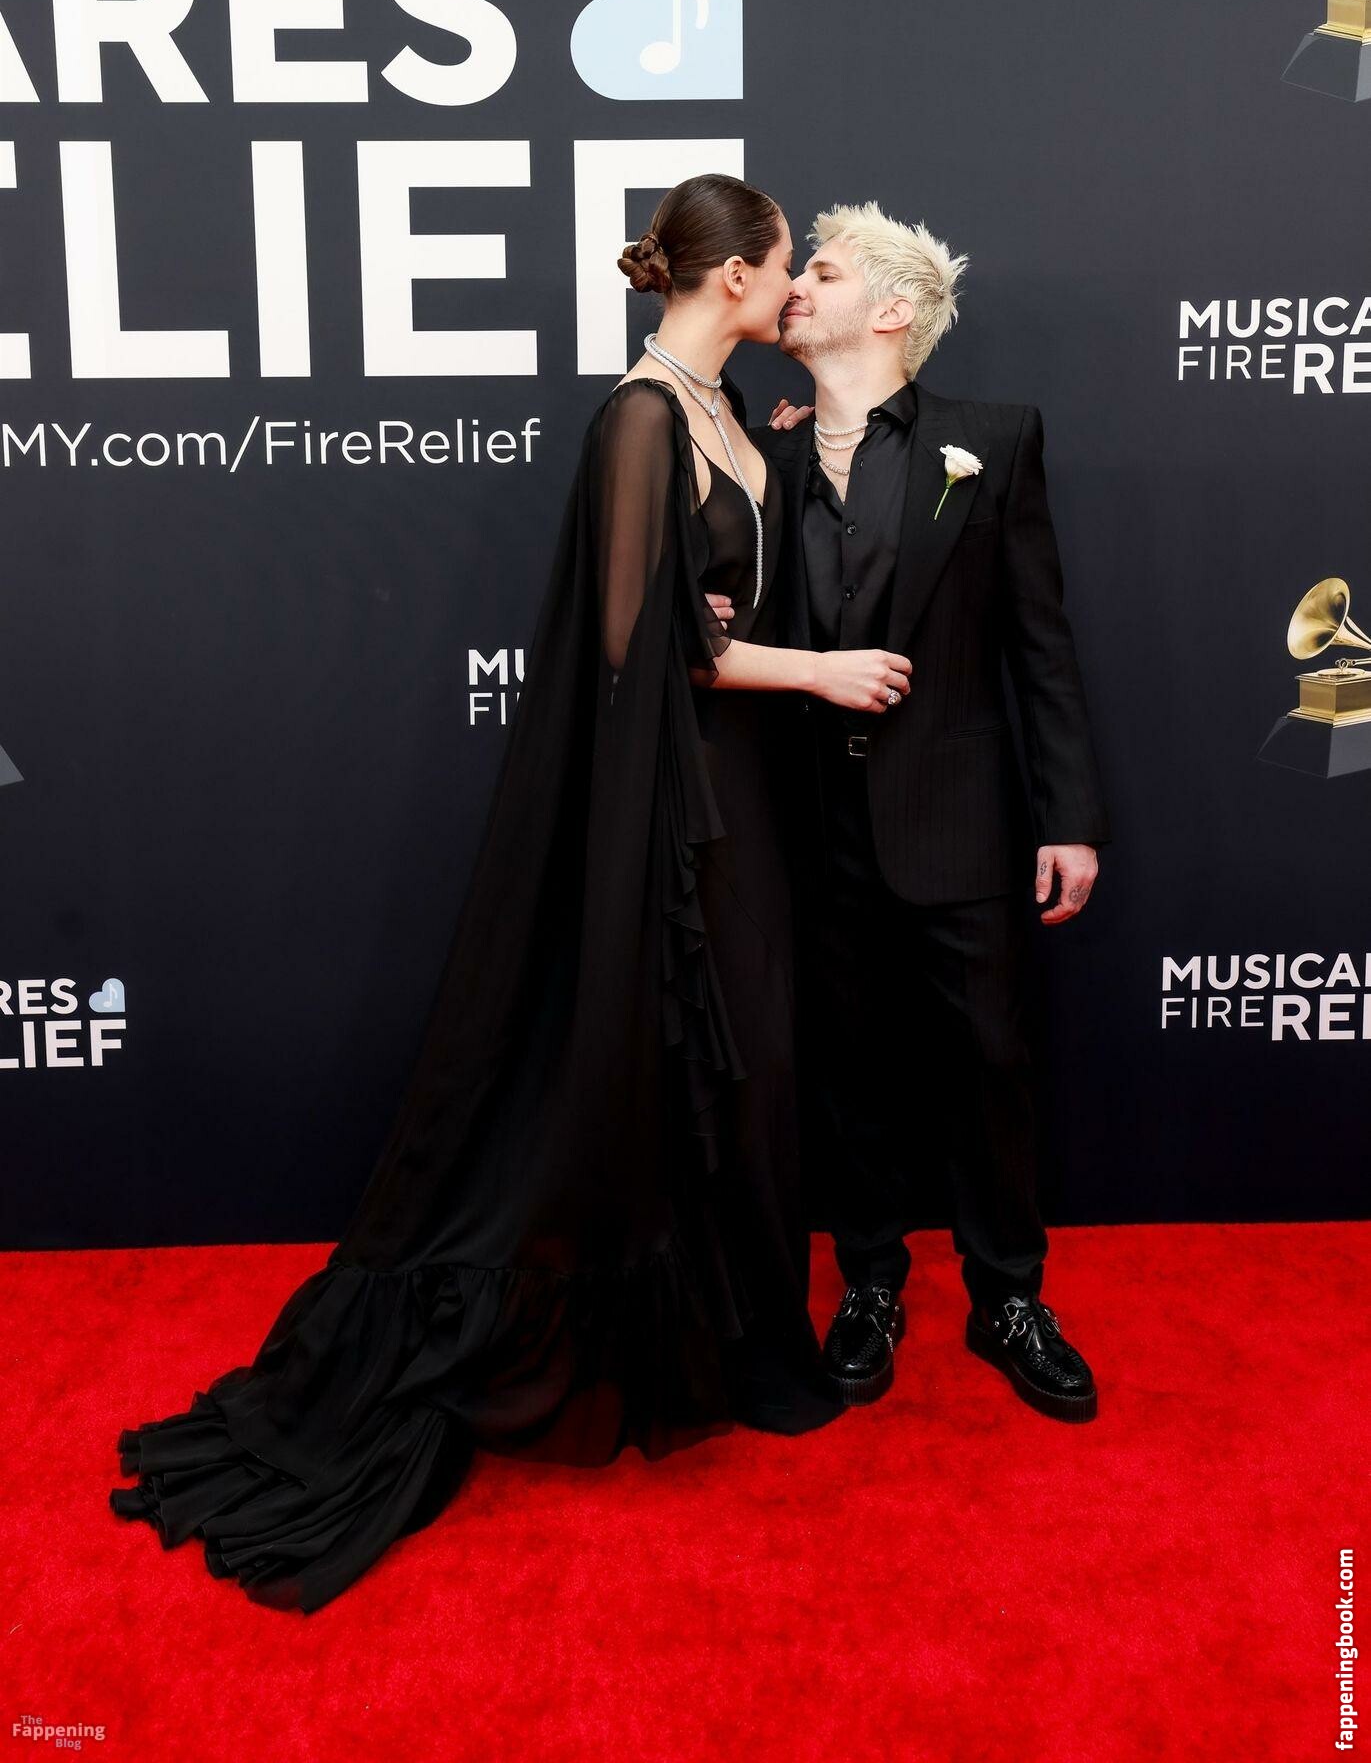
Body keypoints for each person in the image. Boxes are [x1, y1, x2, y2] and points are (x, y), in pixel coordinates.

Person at [109, 174, 914, 1612]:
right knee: (687, 1064)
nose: (797, 284)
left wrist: (777, 509)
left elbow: (717, 594)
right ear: (732, 276)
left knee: (746, 1072)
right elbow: (634, 643)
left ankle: (740, 1340)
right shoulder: (638, 422)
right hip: (682, 808)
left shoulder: (733, 415)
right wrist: (812, 669)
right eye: (786, 261)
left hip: (747, 801)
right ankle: (678, 1347)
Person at [756, 199, 1110, 1421]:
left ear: (894, 309)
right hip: (811, 823)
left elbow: (1039, 641)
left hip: (961, 818)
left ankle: (1008, 1297)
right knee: (848, 1071)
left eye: (824, 271)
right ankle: (869, 1285)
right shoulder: (763, 456)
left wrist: (1070, 816)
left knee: (992, 1064)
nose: (797, 286)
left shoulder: (991, 441)